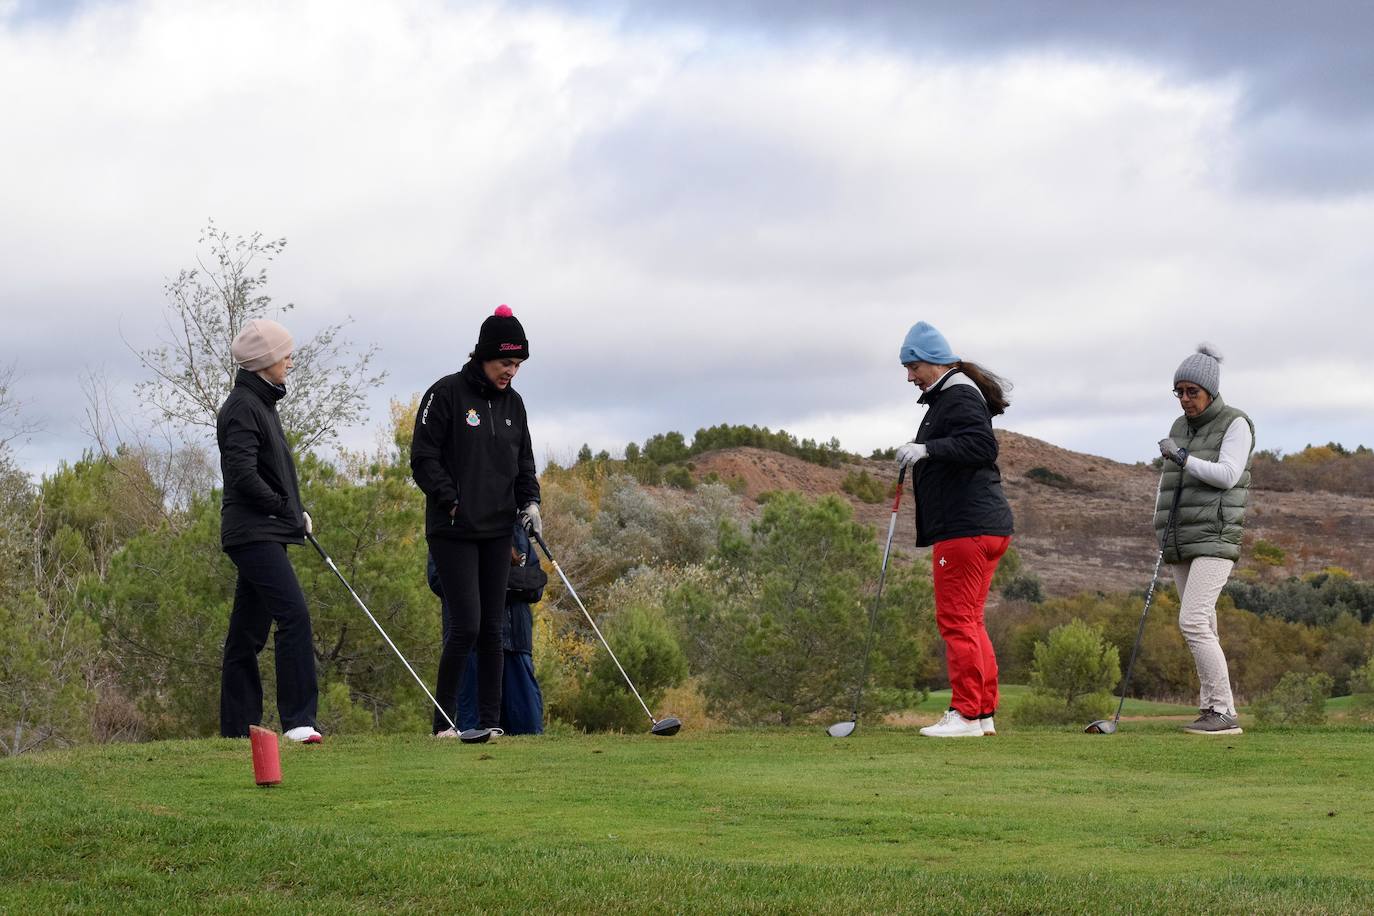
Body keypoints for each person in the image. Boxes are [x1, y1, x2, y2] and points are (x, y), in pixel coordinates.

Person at [411, 305, 541, 742]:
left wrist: (531, 502)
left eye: (518, 364)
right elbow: (423, 457)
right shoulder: (445, 394)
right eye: (507, 362)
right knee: (465, 624)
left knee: (492, 627)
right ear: (484, 356)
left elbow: (523, 462)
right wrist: (449, 500)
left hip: (497, 530)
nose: (512, 371)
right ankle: (443, 725)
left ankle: (489, 722)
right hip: (453, 530)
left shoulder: (514, 405)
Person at [893, 321, 1014, 738]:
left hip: (966, 528)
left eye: (913, 367)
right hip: (981, 525)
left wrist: (926, 449)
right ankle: (981, 714)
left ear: (933, 362)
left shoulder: (958, 394)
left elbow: (981, 447)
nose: (910, 376)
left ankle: (964, 714)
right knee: (971, 620)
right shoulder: (953, 394)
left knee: (956, 620)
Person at [217, 318, 322, 743]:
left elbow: (271, 472)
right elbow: (242, 475)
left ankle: (238, 730)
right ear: (265, 362)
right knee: (294, 615)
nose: (290, 362)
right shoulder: (243, 406)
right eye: (285, 355)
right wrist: (285, 511)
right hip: (253, 532)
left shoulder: (262, 404)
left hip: (266, 529)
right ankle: (298, 722)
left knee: (247, 634)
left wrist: (297, 510)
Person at [1157, 345, 1252, 736]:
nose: (1184, 399)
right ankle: (1211, 707)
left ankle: (1225, 712)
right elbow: (1170, 483)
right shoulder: (1181, 427)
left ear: (1210, 391)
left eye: (1191, 391)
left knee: (1193, 620)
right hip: (1180, 536)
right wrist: (1158, 526)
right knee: (1204, 622)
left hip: (1216, 535)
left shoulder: (1236, 423)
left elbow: (1228, 474)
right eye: (1179, 391)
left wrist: (1183, 458)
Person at [427, 520, 547, 734]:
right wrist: (503, 582)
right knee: (473, 727)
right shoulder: (449, 528)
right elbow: (439, 580)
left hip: (516, 645)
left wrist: (493, 581)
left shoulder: (517, 531)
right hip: (470, 649)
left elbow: (537, 583)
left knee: (528, 727)